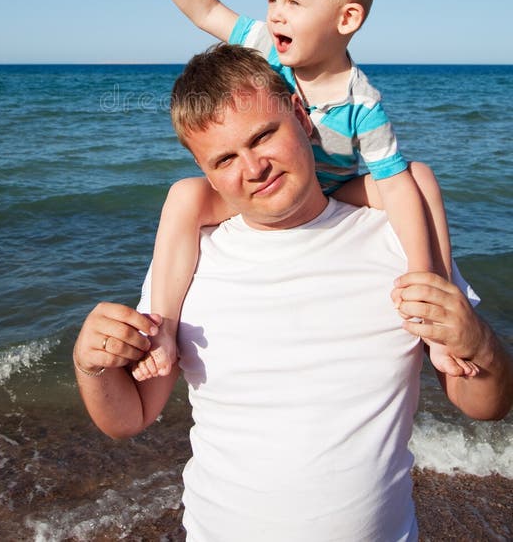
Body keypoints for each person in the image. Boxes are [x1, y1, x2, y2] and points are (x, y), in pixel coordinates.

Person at [74, 44, 513, 542]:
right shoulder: (192, 254)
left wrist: (478, 344)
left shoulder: (396, 234)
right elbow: (127, 418)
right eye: (224, 159)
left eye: (264, 135)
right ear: (206, 171)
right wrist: (91, 363)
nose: (254, 168)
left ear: (301, 117)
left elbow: (485, 405)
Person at [120, 0, 470, 380]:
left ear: (345, 19)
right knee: (185, 195)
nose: (276, 13)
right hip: (273, 189)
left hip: (331, 191)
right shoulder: (265, 43)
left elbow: (390, 183)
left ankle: (433, 306)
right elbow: (206, 10)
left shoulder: (361, 102)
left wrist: (419, 263)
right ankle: (165, 326)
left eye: (293, 2)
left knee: (420, 179)